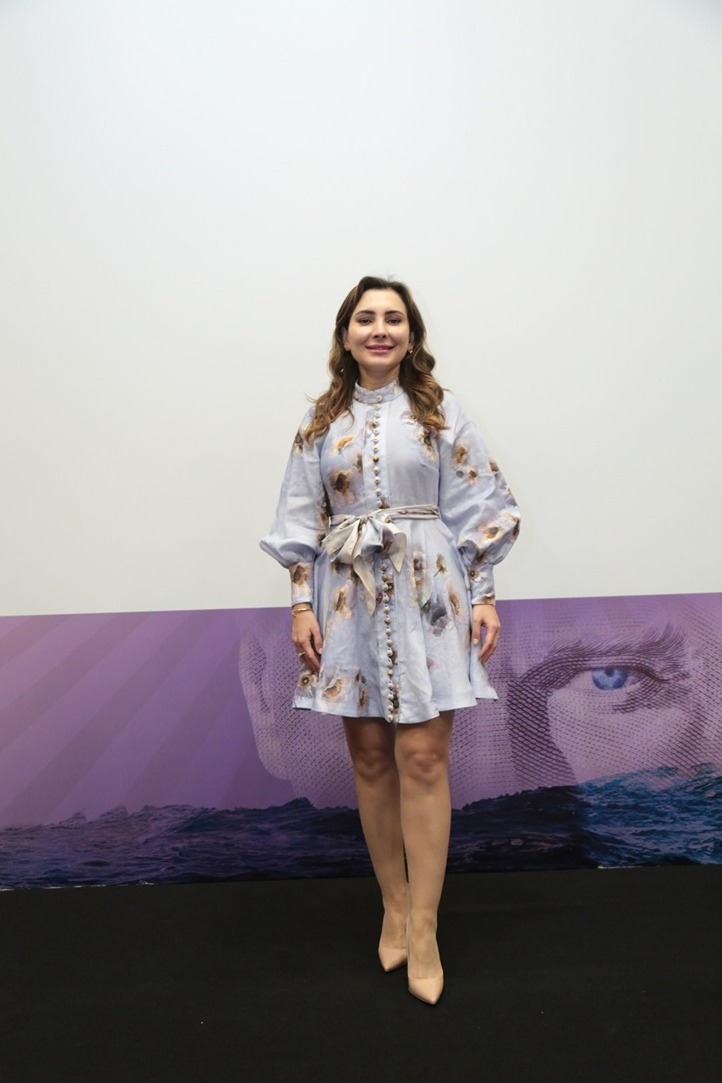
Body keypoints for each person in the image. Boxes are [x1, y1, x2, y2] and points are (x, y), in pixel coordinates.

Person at [260, 275, 520, 1004]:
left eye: (394, 318)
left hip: (428, 593)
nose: (380, 329)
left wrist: (485, 594)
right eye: (366, 318)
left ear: (411, 335)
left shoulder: (440, 410)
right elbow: (301, 518)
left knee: (423, 758)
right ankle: (395, 906)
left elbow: (478, 504)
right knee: (371, 759)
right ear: (345, 336)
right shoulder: (319, 422)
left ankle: (427, 927)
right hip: (348, 597)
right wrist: (301, 606)